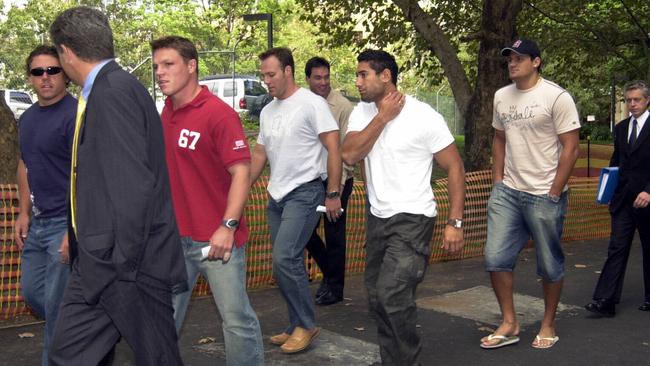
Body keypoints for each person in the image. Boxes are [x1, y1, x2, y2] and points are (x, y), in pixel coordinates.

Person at [48, 7, 187, 365]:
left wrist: (113, 265)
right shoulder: (114, 88)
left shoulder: (112, 94)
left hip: (121, 266)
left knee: (147, 356)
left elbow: (132, 189)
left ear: (66, 52)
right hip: (112, 262)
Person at [341, 49, 466, 365]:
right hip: (378, 217)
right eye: (357, 75)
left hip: (413, 217)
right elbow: (350, 155)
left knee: (392, 296)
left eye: (363, 74)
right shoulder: (363, 112)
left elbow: (454, 167)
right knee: (376, 298)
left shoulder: (424, 116)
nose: (358, 82)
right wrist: (382, 117)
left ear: (386, 76)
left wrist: (456, 221)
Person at [151, 36, 264, 365]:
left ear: (191, 66)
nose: (160, 72)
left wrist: (227, 226)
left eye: (168, 64)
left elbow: (241, 174)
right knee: (160, 319)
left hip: (218, 243)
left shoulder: (219, 115)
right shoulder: (167, 112)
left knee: (236, 321)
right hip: (174, 240)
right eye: (157, 66)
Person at [480, 38, 580, 350]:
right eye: (509, 58)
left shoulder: (556, 97)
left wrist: (554, 190)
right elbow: (499, 138)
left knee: (549, 264)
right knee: (495, 258)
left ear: (536, 61)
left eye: (519, 58)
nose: (512, 63)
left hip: (544, 194)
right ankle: (509, 322)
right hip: (508, 192)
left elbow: (571, 147)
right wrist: (498, 180)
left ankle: (548, 323)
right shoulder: (501, 96)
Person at [250, 47, 342, 354]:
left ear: (288, 71)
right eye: (264, 75)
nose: (266, 80)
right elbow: (260, 153)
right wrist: (241, 187)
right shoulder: (267, 110)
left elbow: (333, 148)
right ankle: (294, 325)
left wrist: (332, 192)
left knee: (284, 257)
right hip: (277, 195)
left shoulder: (312, 104)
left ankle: (306, 324)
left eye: (271, 74)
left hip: (306, 192)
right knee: (284, 262)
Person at [15, 45, 76, 366]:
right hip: (38, 223)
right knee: (33, 295)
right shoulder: (27, 119)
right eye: (38, 72)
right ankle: (87, 321)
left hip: (66, 223)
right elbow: (25, 165)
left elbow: (89, 177)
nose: (46, 77)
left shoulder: (77, 115)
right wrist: (23, 212)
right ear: (30, 78)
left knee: (55, 307)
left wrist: (73, 230)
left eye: (53, 70)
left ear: (65, 73)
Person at [585, 80, 650, 317]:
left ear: (647, 100)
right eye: (629, 100)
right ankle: (606, 301)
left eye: (637, 100)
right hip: (623, 201)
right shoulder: (621, 128)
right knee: (617, 248)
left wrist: (649, 191)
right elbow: (616, 162)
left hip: (647, 199)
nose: (632, 104)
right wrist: (609, 192)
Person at [304, 56, 354, 306]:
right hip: (311, 179)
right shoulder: (302, 103)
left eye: (326, 77)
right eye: (317, 78)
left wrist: (338, 188)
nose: (323, 82)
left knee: (334, 234)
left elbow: (345, 150)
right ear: (308, 79)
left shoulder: (342, 107)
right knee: (305, 231)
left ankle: (335, 288)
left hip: (337, 179)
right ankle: (329, 273)